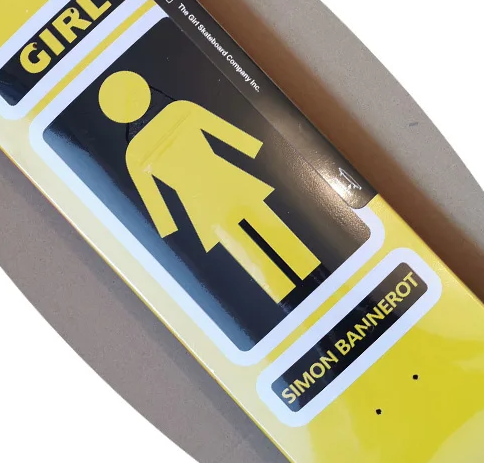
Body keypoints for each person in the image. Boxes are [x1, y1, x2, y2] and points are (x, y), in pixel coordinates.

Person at [99, 70, 320, 302]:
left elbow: (160, 213)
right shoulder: (180, 110)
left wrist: (171, 233)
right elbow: (235, 138)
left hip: (201, 204)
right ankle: (310, 277)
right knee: (269, 233)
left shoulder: (134, 152)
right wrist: (259, 153)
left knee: (247, 251)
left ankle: (292, 295)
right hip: (224, 181)